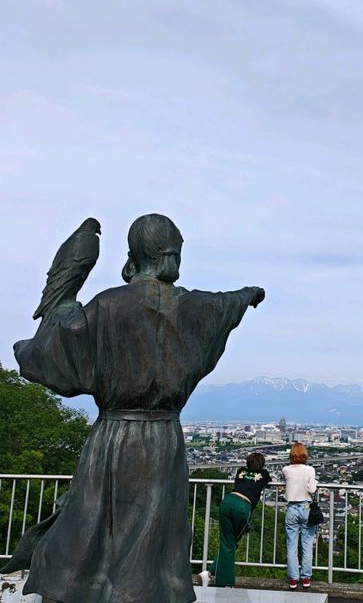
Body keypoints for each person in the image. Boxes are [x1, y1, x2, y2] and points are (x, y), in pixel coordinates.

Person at [8, 214, 265, 603]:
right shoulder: (193, 307)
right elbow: (224, 304)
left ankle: (80, 588)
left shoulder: (106, 305)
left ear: (133, 256)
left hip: (110, 437)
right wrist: (249, 294)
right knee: (151, 531)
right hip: (162, 440)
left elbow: (56, 343)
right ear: (167, 256)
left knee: (92, 522)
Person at [214, 452, 272, 587]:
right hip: (242, 506)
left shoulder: (240, 471)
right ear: (261, 465)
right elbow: (264, 482)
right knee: (231, 544)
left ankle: (210, 572)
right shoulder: (263, 474)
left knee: (226, 542)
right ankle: (225, 584)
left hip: (227, 501)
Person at [283, 442, 318, 590]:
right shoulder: (310, 470)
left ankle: (293, 579)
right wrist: (314, 482)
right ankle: (306, 578)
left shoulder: (286, 469)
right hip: (306, 507)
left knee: (291, 545)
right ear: (305, 454)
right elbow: (312, 489)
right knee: (307, 544)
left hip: (291, 508)